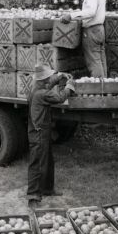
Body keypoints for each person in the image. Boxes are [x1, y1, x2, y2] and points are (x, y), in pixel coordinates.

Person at [27, 64, 75, 209]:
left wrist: (60, 77)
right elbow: (60, 98)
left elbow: (48, 85)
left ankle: (48, 189)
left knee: (48, 161)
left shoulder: (36, 88)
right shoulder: (42, 94)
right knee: (37, 164)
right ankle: (33, 197)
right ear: (43, 80)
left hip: (41, 130)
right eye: (49, 77)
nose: (50, 79)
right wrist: (69, 87)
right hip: (39, 132)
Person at [60, 0, 107, 78]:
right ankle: (105, 87)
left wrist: (71, 16)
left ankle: (98, 89)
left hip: (91, 30)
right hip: (99, 29)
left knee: (94, 61)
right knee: (101, 59)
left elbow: (91, 12)